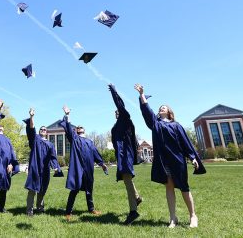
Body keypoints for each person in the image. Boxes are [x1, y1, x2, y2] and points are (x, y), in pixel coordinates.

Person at [134, 83, 206, 228]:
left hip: (177, 160)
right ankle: (173, 218)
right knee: (169, 187)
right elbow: (147, 112)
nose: (161, 108)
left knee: (184, 188)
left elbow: (185, 142)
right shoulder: (155, 123)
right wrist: (142, 94)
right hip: (163, 161)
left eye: (164, 107)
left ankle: (193, 216)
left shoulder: (176, 125)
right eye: (160, 108)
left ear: (169, 112)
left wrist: (192, 157)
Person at [60, 105, 108, 221]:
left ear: (84, 130)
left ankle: (91, 209)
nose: (79, 128)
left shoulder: (90, 142)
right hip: (78, 168)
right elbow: (68, 128)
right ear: (76, 130)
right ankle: (68, 212)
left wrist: (102, 164)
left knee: (89, 190)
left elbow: (96, 154)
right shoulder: (74, 139)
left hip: (88, 169)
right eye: (78, 127)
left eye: (81, 127)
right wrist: (67, 115)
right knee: (74, 190)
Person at [108, 84, 143, 225]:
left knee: (127, 177)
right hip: (121, 156)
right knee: (126, 178)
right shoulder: (115, 127)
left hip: (126, 154)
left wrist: (114, 92)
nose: (117, 112)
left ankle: (133, 211)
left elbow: (120, 104)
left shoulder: (125, 119)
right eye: (115, 112)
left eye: (119, 111)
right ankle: (137, 197)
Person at [23, 108, 62, 216]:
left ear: (47, 132)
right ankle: (29, 211)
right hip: (35, 168)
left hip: (45, 170)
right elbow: (31, 129)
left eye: (45, 129)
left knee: (42, 190)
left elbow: (53, 157)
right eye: (41, 129)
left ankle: (40, 208)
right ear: (39, 131)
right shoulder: (35, 139)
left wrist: (55, 167)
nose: (43, 130)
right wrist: (31, 117)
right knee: (32, 190)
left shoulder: (50, 144)